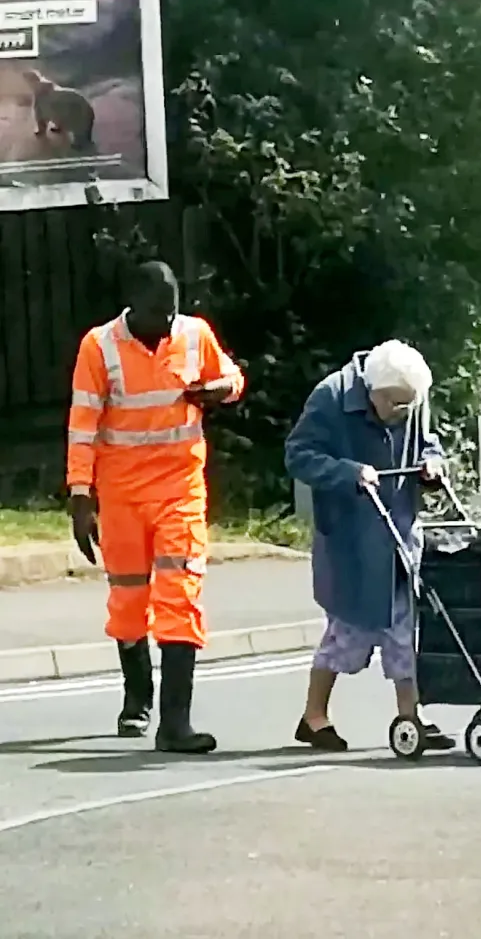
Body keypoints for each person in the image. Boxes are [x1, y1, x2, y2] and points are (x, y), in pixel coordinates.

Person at [66, 261, 245, 754]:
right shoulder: (99, 347)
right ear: (132, 305)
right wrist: (80, 497)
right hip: (121, 494)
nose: (165, 322)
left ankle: (175, 723)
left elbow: (232, 377)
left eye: (171, 311)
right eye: (154, 313)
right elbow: (83, 425)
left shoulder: (194, 334)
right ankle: (137, 696)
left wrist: (219, 390)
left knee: (180, 597)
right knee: (128, 603)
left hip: (180, 489)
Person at [285, 340, 456, 752]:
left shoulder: (410, 395)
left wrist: (432, 463)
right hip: (350, 539)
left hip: (398, 533)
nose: (404, 412)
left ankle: (410, 716)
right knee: (347, 634)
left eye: (409, 405)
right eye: (396, 404)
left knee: (403, 629)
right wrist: (347, 471)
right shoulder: (331, 396)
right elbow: (298, 454)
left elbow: (426, 441)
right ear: (374, 392)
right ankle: (314, 716)